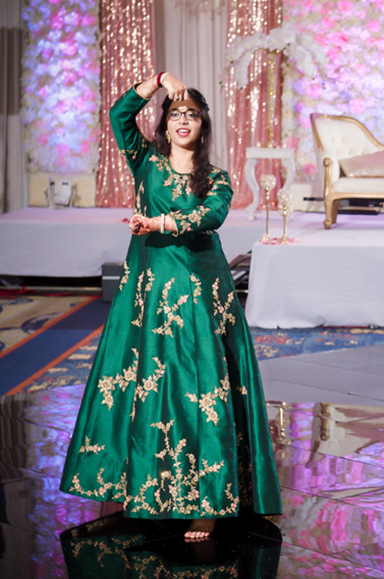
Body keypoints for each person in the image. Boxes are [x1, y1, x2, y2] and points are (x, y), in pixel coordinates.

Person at [60, 73, 281, 541]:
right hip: (149, 291)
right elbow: (120, 115)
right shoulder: (146, 161)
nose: (183, 120)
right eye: (176, 113)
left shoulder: (216, 178)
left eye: (193, 115)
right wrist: (159, 82)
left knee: (202, 389)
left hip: (200, 292)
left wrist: (161, 219)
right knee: (149, 388)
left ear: (203, 126)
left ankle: (209, 504)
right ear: (165, 122)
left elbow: (212, 216)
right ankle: (153, 491)